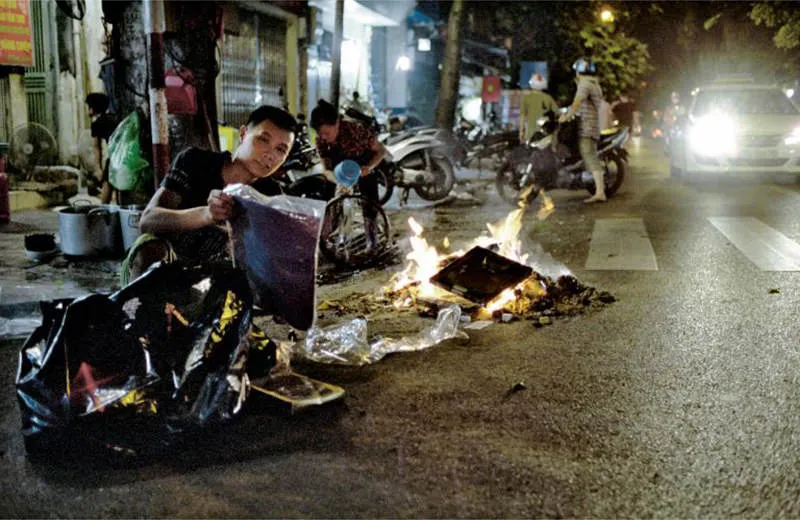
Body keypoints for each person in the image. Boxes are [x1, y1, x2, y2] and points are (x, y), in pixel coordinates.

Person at [121, 105, 297, 286]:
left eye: (281, 150)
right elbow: (149, 221)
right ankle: (136, 310)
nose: (269, 154)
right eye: (263, 140)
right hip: (168, 268)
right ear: (243, 134)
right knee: (151, 250)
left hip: (214, 282)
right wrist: (207, 215)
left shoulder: (271, 195)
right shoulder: (195, 162)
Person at [310, 98, 388, 250]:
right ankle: (325, 240)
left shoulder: (357, 131)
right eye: (320, 133)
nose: (323, 137)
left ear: (337, 123)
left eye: (326, 132)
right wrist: (331, 176)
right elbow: (326, 165)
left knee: (370, 203)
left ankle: (372, 241)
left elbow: (381, 151)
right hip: (338, 171)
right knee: (329, 202)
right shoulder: (321, 140)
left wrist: (369, 167)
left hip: (362, 168)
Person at [560, 58, 607, 203]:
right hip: (591, 124)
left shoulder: (585, 84)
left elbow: (577, 102)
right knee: (586, 155)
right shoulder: (594, 83)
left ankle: (600, 192)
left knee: (589, 156)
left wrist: (566, 116)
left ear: (579, 71)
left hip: (587, 126)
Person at [85, 93, 118, 203]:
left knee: (107, 183)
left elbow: (96, 147)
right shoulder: (114, 118)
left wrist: (98, 168)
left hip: (114, 156)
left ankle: (103, 211)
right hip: (122, 154)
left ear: (92, 108)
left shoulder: (96, 124)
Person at [519, 73, 559, 144]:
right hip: (546, 135)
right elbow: (558, 113)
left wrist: (521, 132)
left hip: (530, 134)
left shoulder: (526, 98)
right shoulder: (548, 98)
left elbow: (522, 116)